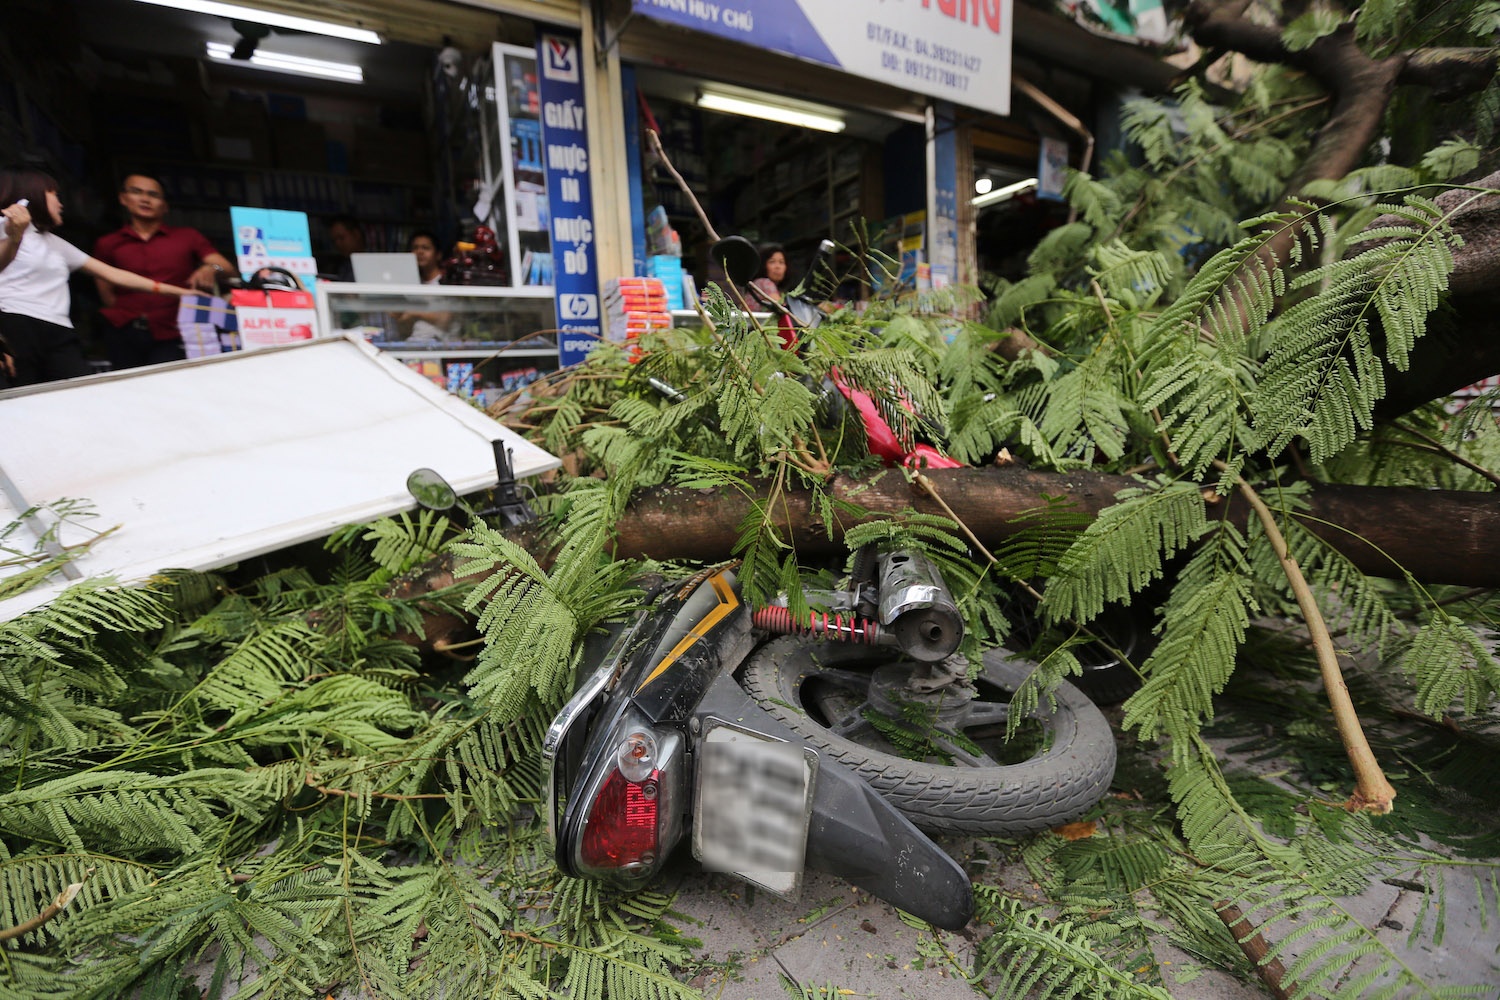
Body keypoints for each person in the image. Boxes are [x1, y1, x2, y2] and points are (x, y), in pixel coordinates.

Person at [0, 167, 195, 387]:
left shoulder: (55, 244)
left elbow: (114, 275)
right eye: (54, 195)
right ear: (33, 194)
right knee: (22, 397)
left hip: (59, 328)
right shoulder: (3, 228)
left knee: (79, 393)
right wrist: (14, 237)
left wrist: (183, 293)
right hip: (15, 323)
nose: (61, 204)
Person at [92, 172, 236, 369]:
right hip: (123, 329)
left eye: (153, 195)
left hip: (174, 330)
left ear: (165, 205)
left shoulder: (187, 237)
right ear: (123, 198)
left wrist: (212, 268)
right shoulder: (108, 243)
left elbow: (229, 269)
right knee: (127, 390)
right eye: (136, 192)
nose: (145, 199)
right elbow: (106, 294)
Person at [395, 230, 458, 341]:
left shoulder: (447, 282)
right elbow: (403, 328)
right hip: (413, 347)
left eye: (426, 248)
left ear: (438, 255)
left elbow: (446, 319)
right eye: (415, 248)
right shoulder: (410, 286)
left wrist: (415, 313)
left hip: (441, 349)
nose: (420, 252)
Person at [328, 214, 367, 281]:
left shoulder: (375, 262)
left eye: (341, 237)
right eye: (334, 240)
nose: (337, 243)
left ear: (356, 234)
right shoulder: (340, 265)